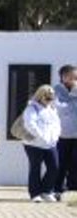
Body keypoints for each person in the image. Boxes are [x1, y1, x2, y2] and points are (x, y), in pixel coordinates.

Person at [21, 85, 61, 202]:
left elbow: (57, 124)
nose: (49, 101)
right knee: (35, 168)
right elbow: (30, 125)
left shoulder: (52, 109)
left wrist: (55, 137)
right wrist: (42, 137)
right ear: (40, 96)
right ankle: (35, 194)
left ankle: (46, 191)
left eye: (51, 98)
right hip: (33, 144)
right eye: (47, 98)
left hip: (50, 144)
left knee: (54, 167)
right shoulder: (32, 108)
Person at [53, 65, 77, 198]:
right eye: (72, 76)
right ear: (63, 77)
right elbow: (60, 109)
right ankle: (57, 189)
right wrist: (73, 97)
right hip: (62, 134)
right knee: (61, 163)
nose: (74, 79)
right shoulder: (56, 90)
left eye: (76, 76)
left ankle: (73, 188)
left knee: (75, 163)